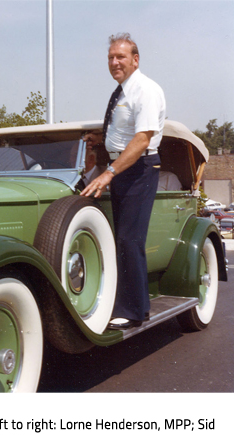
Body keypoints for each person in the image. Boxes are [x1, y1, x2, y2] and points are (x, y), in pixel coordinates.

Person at [80, 33, 166, 330]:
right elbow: (125, 135)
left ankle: (133, 311)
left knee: (130, 240)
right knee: (121, 240)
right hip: (123, 166)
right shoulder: (122, 91)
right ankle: (130, 305)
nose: (115, 62)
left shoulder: (145, 90)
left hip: (139, 169)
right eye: (110, 58)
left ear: (135, 59)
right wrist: (100, 141)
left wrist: (109, 172)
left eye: (121, 57)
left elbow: (142, 139)